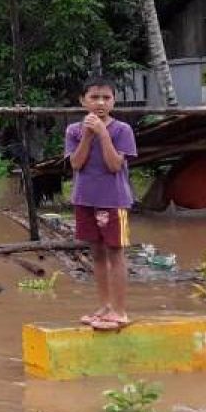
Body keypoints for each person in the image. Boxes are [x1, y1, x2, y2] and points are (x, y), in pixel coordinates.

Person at [64, 75, 137, 330]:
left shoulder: (122, 130)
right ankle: (105, 306)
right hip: (85, 200)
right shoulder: (73, 130)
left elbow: (115, 165)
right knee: (96, 253)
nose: (100, 103)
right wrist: (87, 135)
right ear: (83, 101)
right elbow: (75, 163)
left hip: (114, 201)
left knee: (116, 253)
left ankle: (120, 311)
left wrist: (103, 134)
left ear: (114, 101)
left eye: (106, 97)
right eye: (94, 97)